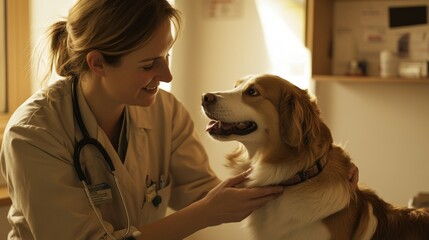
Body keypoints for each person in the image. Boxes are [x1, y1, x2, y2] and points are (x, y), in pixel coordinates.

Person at [0, 0, 359, 239]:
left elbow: (205, 194)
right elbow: (206, 207)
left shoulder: (164, 112)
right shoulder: (33, 134)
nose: (167, 75)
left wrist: (319, 170)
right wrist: (206, 213)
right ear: (97, 64)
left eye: (167, 56)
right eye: (149, 63)